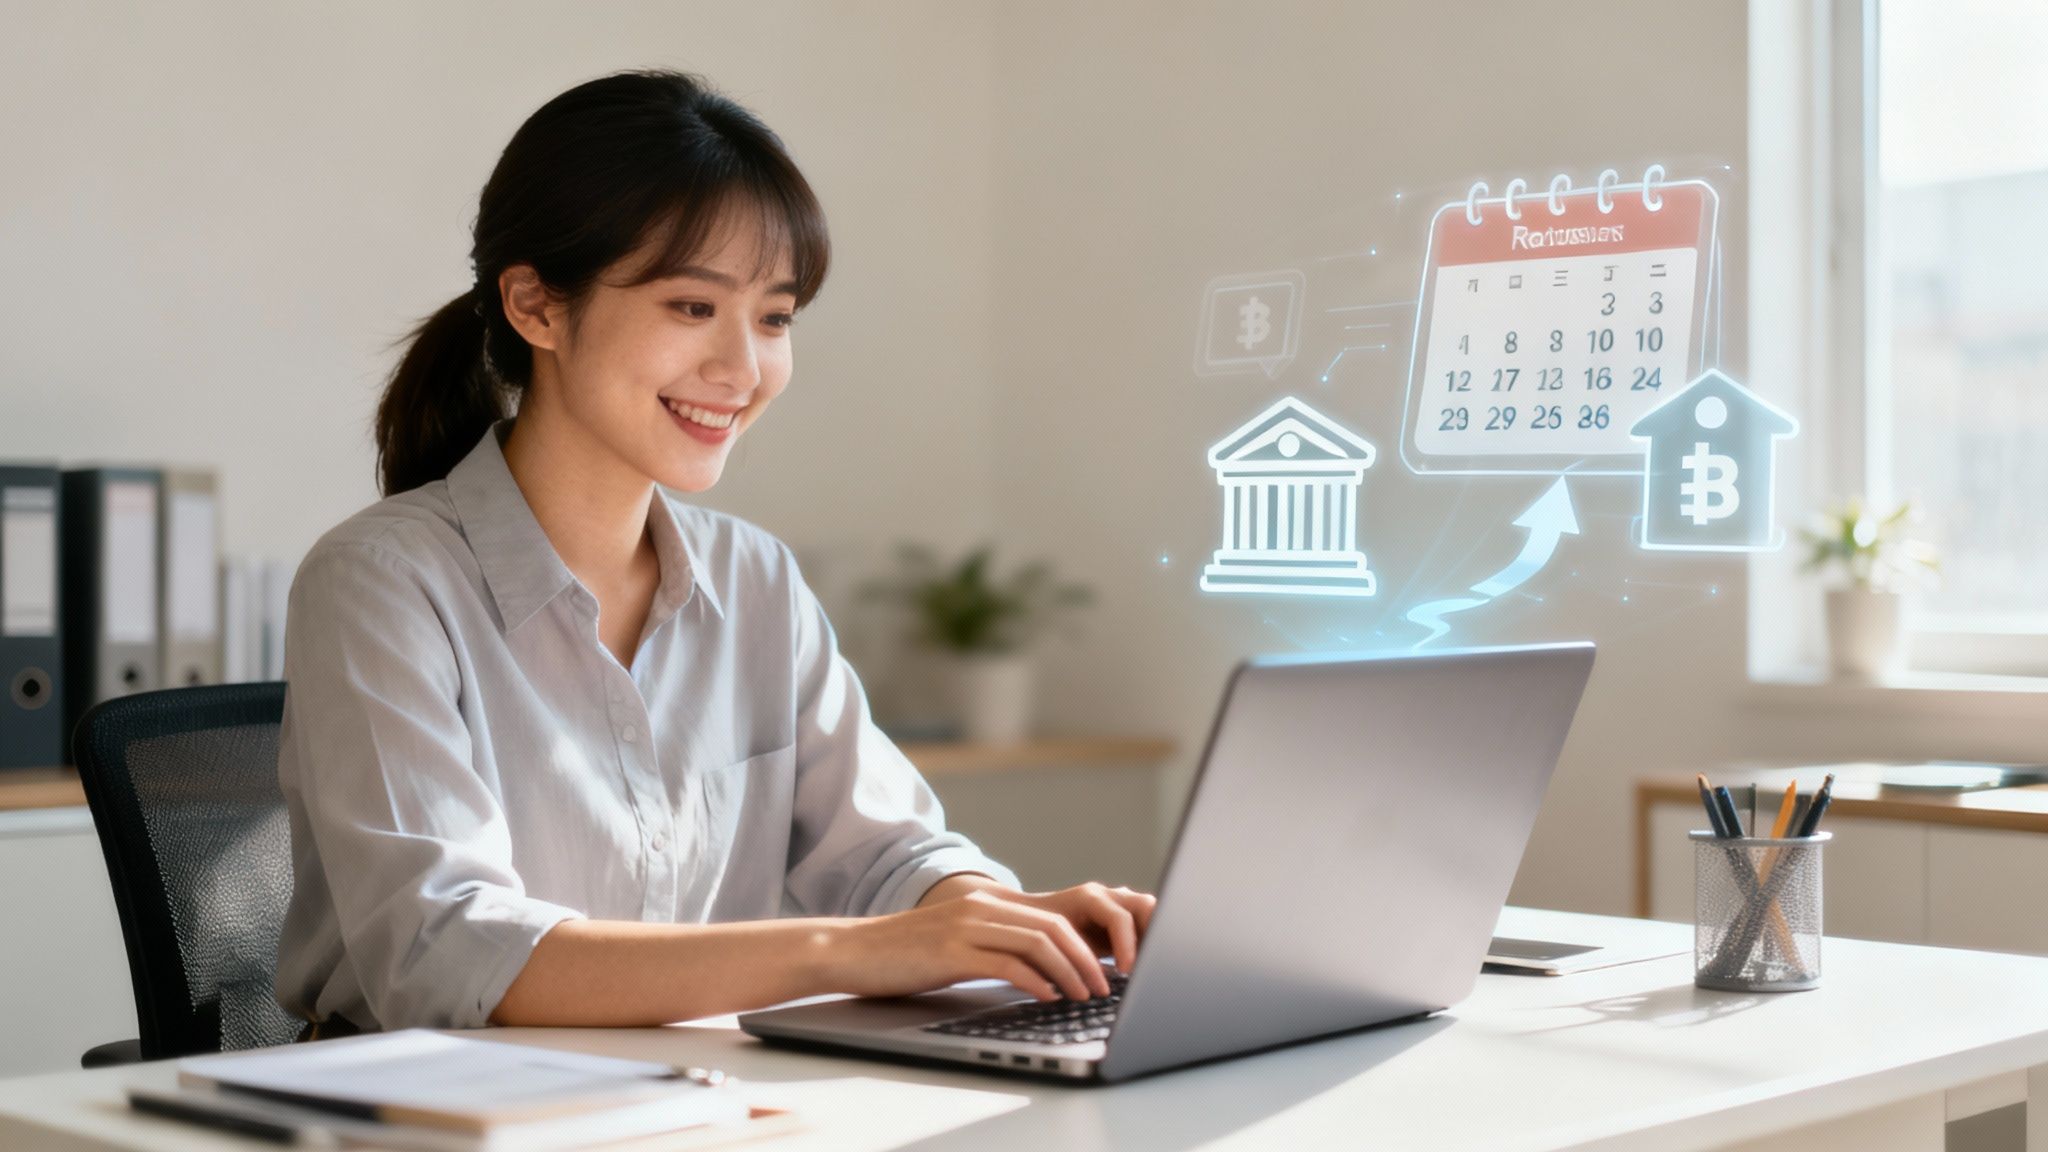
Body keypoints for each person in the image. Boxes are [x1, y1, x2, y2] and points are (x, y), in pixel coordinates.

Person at [274, 69, 1153, 1034]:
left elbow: (887, 854)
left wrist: (997, 917)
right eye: (693, 307)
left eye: (774, 318)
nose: (744, 370)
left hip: (687, 1101)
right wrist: (843, 951)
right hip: (423, 1117)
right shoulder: (383, 583)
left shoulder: (756, 579)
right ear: (536, 307)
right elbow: (447, 953)